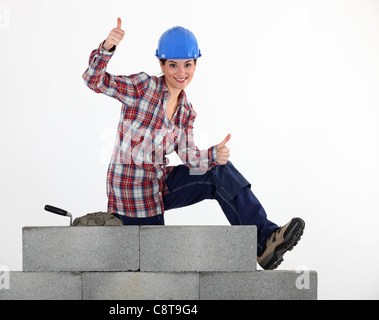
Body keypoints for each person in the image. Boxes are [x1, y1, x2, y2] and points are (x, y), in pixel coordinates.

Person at [82, 18, 304, 270]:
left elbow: (189, 158)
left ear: (195, 65)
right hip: (131, 197)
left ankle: (264, 241)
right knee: (155, 271)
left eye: (187, 65)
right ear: (162, 65)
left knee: (220, 172)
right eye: (173, 65)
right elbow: (94, 80)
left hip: (159, 185)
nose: (181, 72)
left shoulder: (186, 111)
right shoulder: (142, 86)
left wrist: (214, 155)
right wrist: (108, 47)